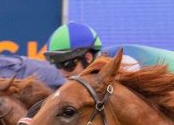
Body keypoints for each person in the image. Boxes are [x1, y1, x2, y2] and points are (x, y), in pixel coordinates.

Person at [43, 21, 174, 78]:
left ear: (88, 58)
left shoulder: (124, 64)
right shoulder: (103, 65)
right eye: (58, 65)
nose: (63, 74)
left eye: (67, 65)